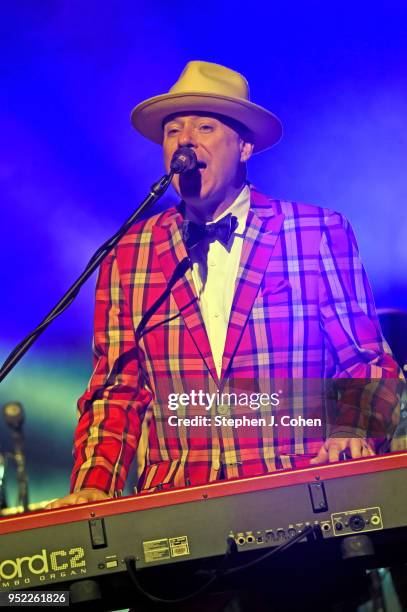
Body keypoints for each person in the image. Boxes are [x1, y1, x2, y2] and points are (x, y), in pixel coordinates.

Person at [48, 60, 402, 510]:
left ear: (245, 146)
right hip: (175, 510)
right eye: (173, 131)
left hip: (299, 496)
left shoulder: (315, 233)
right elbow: (115, 391)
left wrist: (352, 431)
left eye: (205, 127)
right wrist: (95, 486)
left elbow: (366, 361)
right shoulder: (128, 253)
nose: (185, 142)